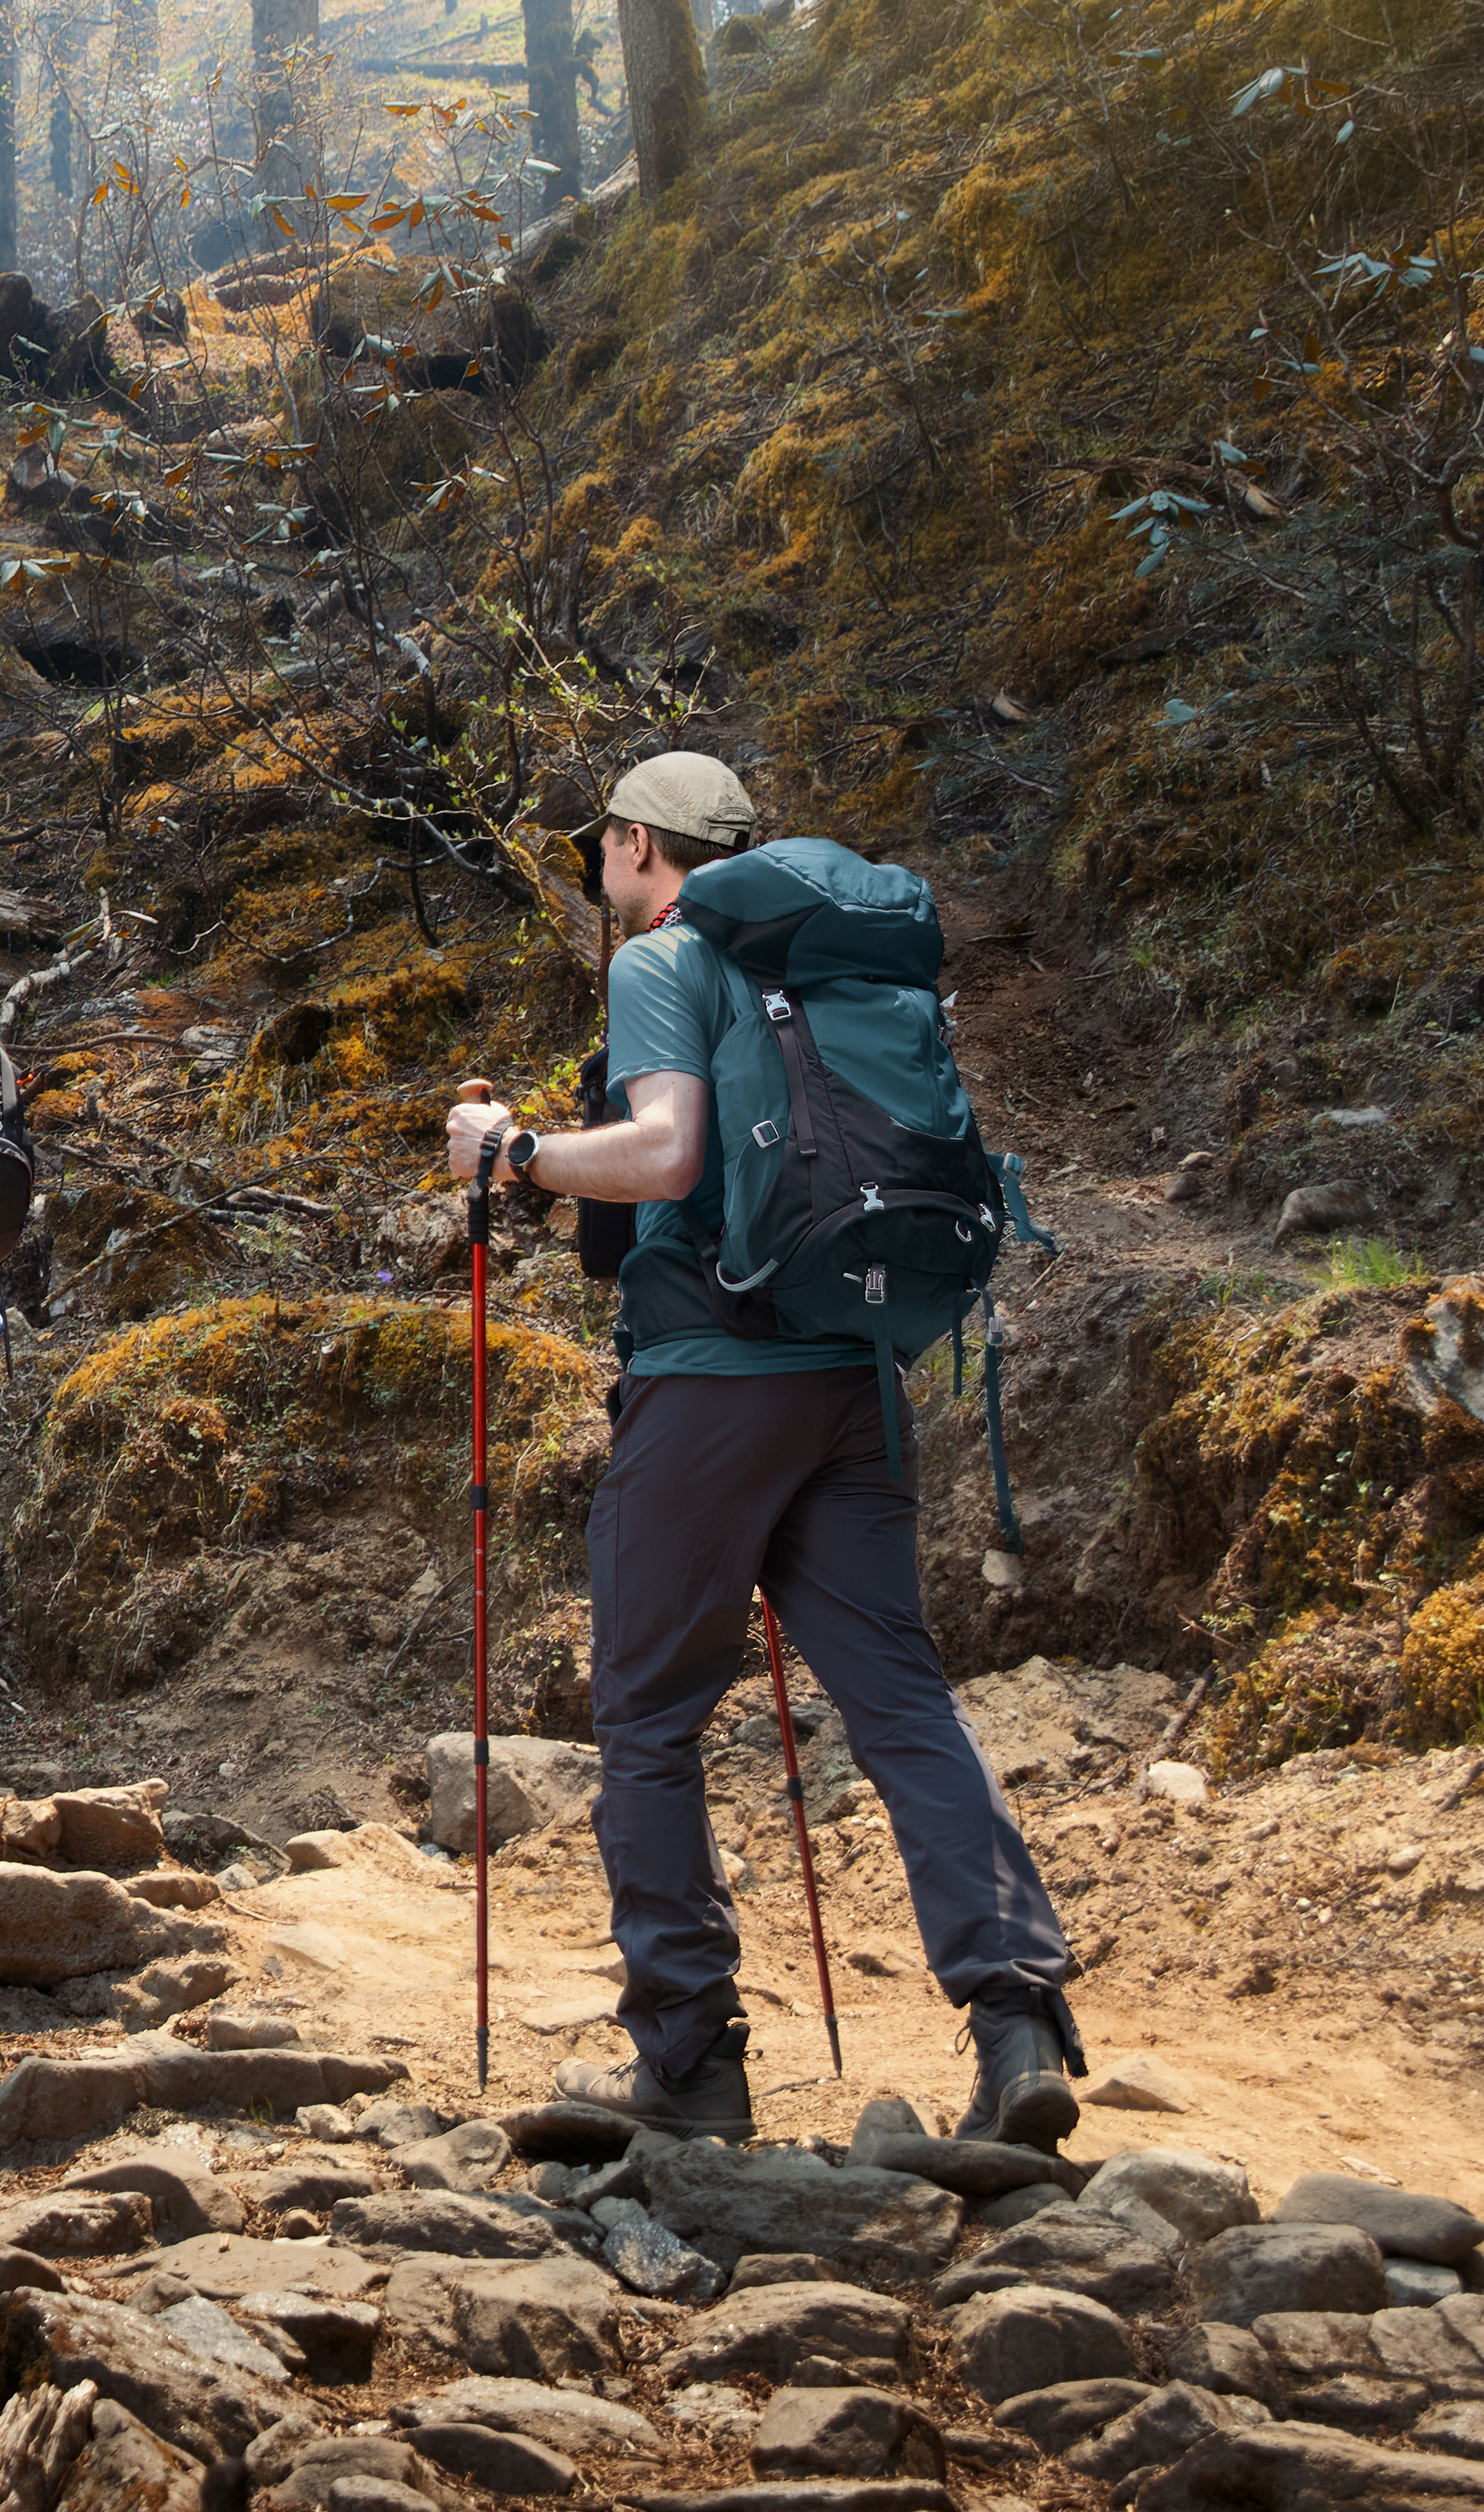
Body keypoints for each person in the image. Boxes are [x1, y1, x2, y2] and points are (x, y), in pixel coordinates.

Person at [445, 749, 1083, 2146]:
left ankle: (689, 2059)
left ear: (630, 845)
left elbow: (665, 1157)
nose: (598, 871)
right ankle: (1017, 2019)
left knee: (649, 1720)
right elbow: (684, 1192)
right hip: (851, 1378)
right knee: (902, 1699)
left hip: (710, 1390)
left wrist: (514, 1150)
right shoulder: (832, 973)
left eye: (599, 849)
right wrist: (576, 1187)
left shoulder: (661, 962)